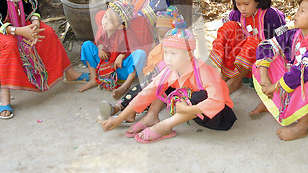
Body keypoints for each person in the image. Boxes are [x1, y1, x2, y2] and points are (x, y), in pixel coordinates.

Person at [101, 18, 237, 143]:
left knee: (200, 95)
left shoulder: (203, 71)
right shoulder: (171, 69)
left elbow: (217, 101)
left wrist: (188, 110)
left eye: (173, 53)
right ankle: (151, 116)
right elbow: (149, 91)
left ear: (189, 54)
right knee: (161, 84)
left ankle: (164, 126)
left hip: (220, 117)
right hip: (194, 112)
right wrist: (119, 118)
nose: (168, 58)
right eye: (166, 52)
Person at [250, 0, 308, 141]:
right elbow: (266, 45)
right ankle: (271, 103)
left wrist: (275, 86)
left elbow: (301, 72)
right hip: (290, 83)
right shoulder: (294, 34)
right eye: (298, 9)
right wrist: (266, 78)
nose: (297, 13)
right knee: (267, 60)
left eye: (302, 11)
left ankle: (302, 127)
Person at [98, 5, 179, 119]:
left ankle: (126, 111)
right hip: (153, 83)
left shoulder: (179, 53)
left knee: (150, 89)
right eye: (161, 36)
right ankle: (120, 108)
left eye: (169, 36)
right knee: (143, 87)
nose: (164, 40)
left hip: (169, 87)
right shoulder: (157, 50)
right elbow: (148, 68)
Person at [210, 0, 286, 93]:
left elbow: (284, 41)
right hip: (245, 59)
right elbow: (227, 28)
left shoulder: (271, 15)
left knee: (254, 42)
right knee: (229, 28)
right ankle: (225, 74)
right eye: (238, 4)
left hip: (266, 61)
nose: (242, 9)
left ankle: (235, 82)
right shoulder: (237, 13)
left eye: (246, 4)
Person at [79, 1, 147, 99]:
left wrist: (122, 56)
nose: (105, 21)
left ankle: (125, 86)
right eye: (105, 16)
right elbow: (99, 42)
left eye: (110, 21)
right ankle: (94, 78)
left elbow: (134, 48)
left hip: (121, 69)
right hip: (106, 64)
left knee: (140, 54)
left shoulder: (125, 34)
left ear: (120, 26)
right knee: (87, 45)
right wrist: (100, 48)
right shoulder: (104, 30)